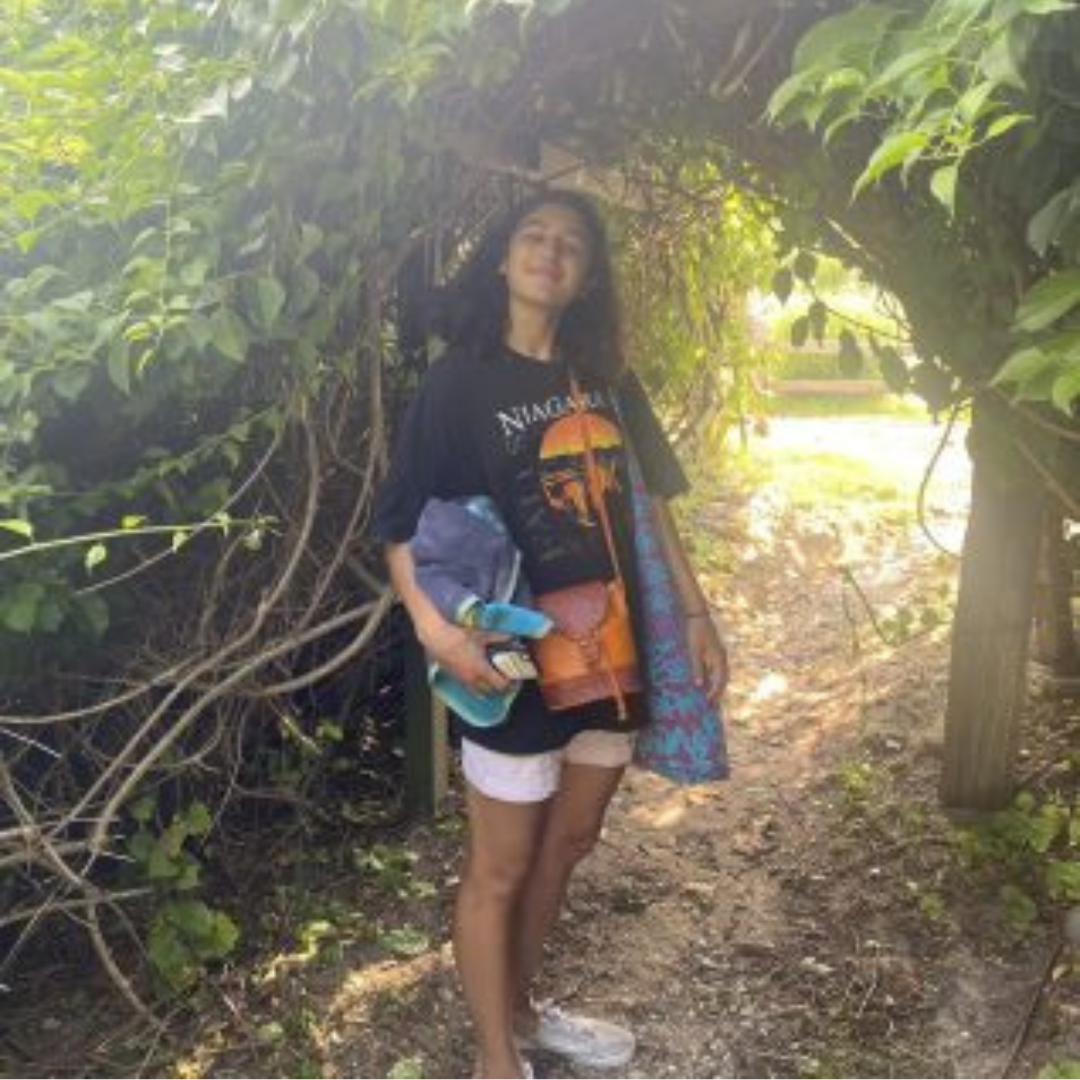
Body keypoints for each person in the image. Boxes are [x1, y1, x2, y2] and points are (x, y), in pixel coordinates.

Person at [371, 190, 729, 1079]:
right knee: (501, 864)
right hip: (511, 652)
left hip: (610, 647)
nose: (550, 251)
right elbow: (402, 521)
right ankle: (498, 1059)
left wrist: (694, 612)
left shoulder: (606, 376)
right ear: (503, 259)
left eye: (572, 243)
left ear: (587, 276)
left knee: (570, 843)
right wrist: (432, 632)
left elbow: (652, 507)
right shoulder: (460, 381)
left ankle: (523, 1013)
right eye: (534, 235)